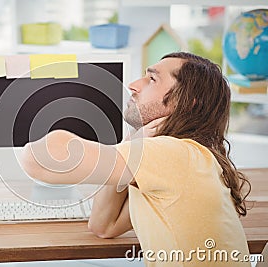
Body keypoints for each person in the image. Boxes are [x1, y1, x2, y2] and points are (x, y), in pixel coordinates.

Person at [19, 52, 251, 266]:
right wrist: (133, 141)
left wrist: (130, 145)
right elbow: (104, 226)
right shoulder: (188, 158)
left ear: (186, 102)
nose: (133, 86)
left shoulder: (172, 154)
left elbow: (38, 158)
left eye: (152, 79)